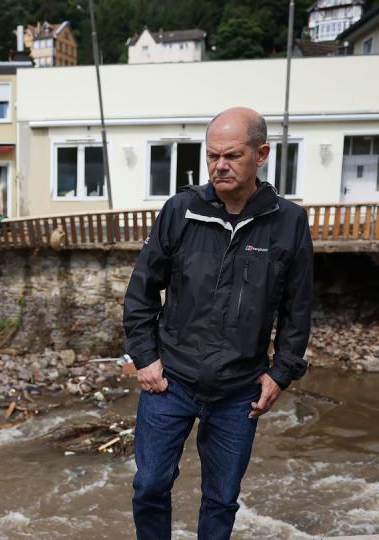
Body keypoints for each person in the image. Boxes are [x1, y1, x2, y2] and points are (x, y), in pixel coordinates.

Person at [122, 107, 313, 539]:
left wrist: (281, 374)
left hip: (239, 389)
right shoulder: (181, 210)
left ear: (261, 154)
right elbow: (141, 292)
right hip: (170, 380)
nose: (219, 166)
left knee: (222, 498)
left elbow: (297, 310)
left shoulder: (288, 223)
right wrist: (145, 357)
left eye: (231, 155)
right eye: (211, 156)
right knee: (149, 485)